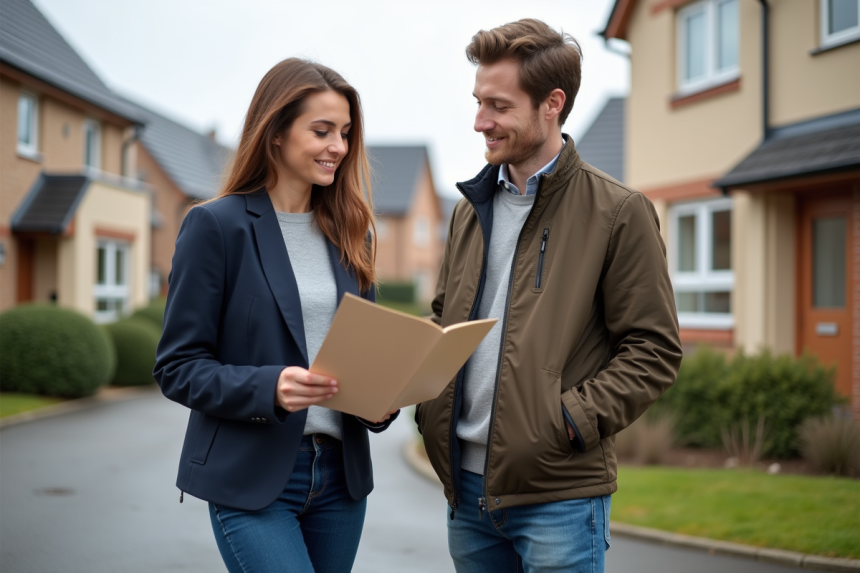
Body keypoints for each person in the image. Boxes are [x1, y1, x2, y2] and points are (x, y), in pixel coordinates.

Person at [415, 19, 682, 573]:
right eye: (477, 102)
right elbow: (447, 320)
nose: (479, 122)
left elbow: (653, 350)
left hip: (560, 495)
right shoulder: (469, 211)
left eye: (498, 106)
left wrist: (566, 421)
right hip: (465, 494)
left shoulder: (618, 212)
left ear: (551, 104)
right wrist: (421, 400)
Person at [154, 58, 398, 573]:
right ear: (275, 134)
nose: (339, 146)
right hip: (253, 478)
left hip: (341, 480)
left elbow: (363, 354)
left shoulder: (354, 232)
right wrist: (270, 388)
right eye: (322, 130)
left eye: (346, 132)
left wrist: (382, 401)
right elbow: (177, 367)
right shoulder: (215, 227)